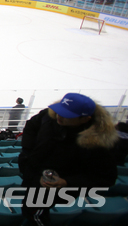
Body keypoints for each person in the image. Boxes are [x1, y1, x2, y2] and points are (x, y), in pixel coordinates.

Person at [18, 93, 118, 225]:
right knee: (28, 207)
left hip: (52, 189)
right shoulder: (49, 115)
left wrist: (67, 182)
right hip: (32, 174)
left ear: (85, 119)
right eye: (59, 111)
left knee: (35, 213)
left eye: (67, 115)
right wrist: (27, 152)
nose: (59, 116)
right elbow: (32, 125)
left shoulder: (97, 144)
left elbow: (105, 177)